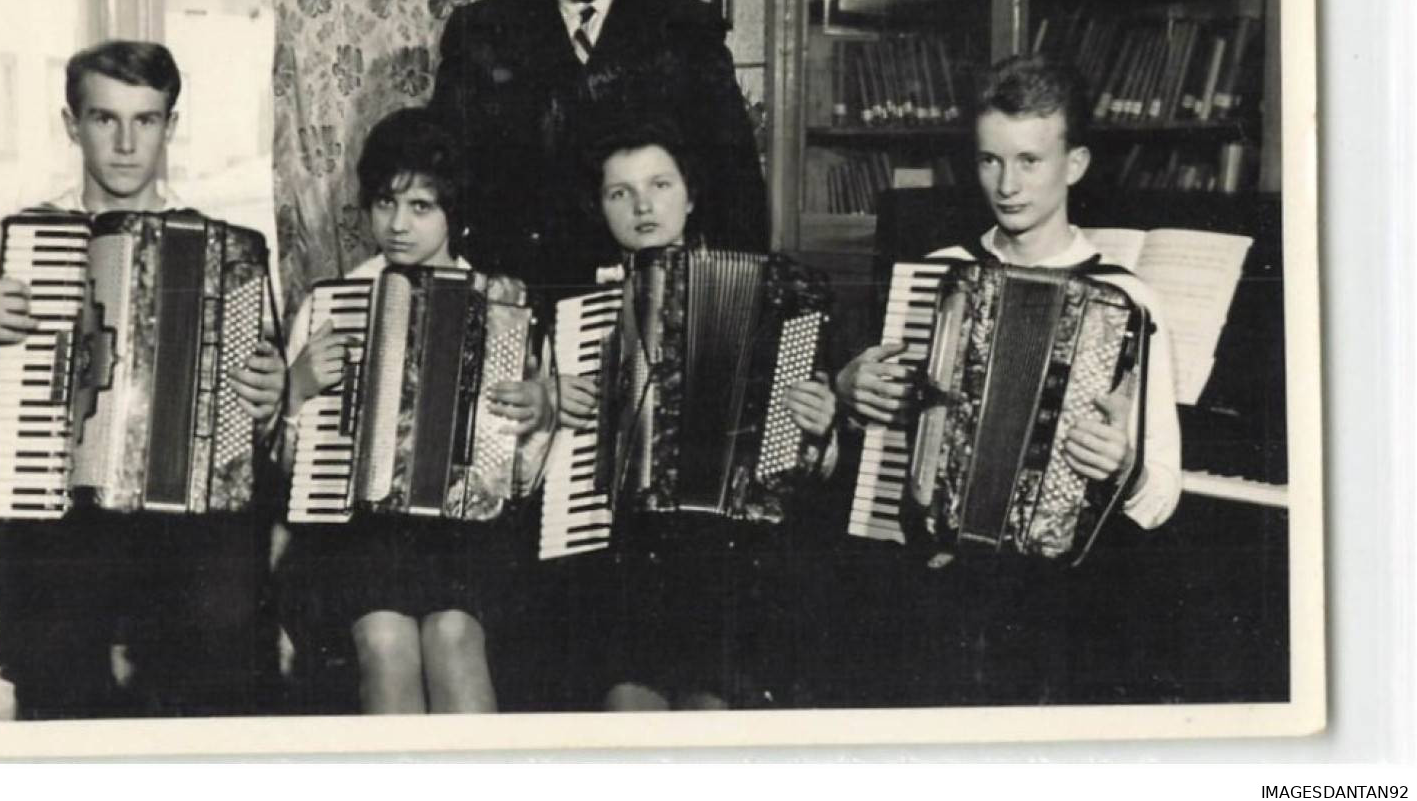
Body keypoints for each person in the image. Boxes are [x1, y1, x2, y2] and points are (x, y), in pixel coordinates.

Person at [0, 40, 287, 719]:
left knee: (222, 632)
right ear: (70, 124)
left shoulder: (223, 250)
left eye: (146, 120)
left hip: (183, 527)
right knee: (59, 663)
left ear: (170, 126)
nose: (125, 142)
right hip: (61, 519)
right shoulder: (20, 241)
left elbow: (253, 422)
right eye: (104, 118)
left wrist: (267, 400)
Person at [832, 54, 1182, 704]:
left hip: (1059, 596)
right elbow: (879, 439)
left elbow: (1159, 494)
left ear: (1073, 164)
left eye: (1029, 160)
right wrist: (850, 398)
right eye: (989, 159)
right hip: (932, 576)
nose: (1006, 183)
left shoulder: (1127, 300)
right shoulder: (935, 277)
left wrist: (1123, 467)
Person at [552, 119, 837, 711]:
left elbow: (819, 456)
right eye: (619, 193)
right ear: (599, 208)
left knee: (711, 710)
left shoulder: (774, 287)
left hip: (734, 552)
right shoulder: (581, 310)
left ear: (691, 194)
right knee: (627, 709)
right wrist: (556, 404)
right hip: (622, 549)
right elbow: (535, 457)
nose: (642, 206)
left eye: (660, 185)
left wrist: (817, 426)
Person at [276, 107, 554, 714]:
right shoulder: (336, 303)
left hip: (467, 534)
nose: (397, 224)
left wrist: (538, 418)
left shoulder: (499, 306)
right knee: (384, 639)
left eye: (420, 206)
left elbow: (522, 477)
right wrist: (295, 392)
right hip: (357, 534)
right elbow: (291, 466)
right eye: (384, 203)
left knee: (454, 636)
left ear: (454, 210)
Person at [428, 0, 766, 296]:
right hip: (517, 296)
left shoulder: (687, 28)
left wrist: (725, 298)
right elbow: (442, 174)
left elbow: (736, 186)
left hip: (652, 299)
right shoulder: (481, 30)